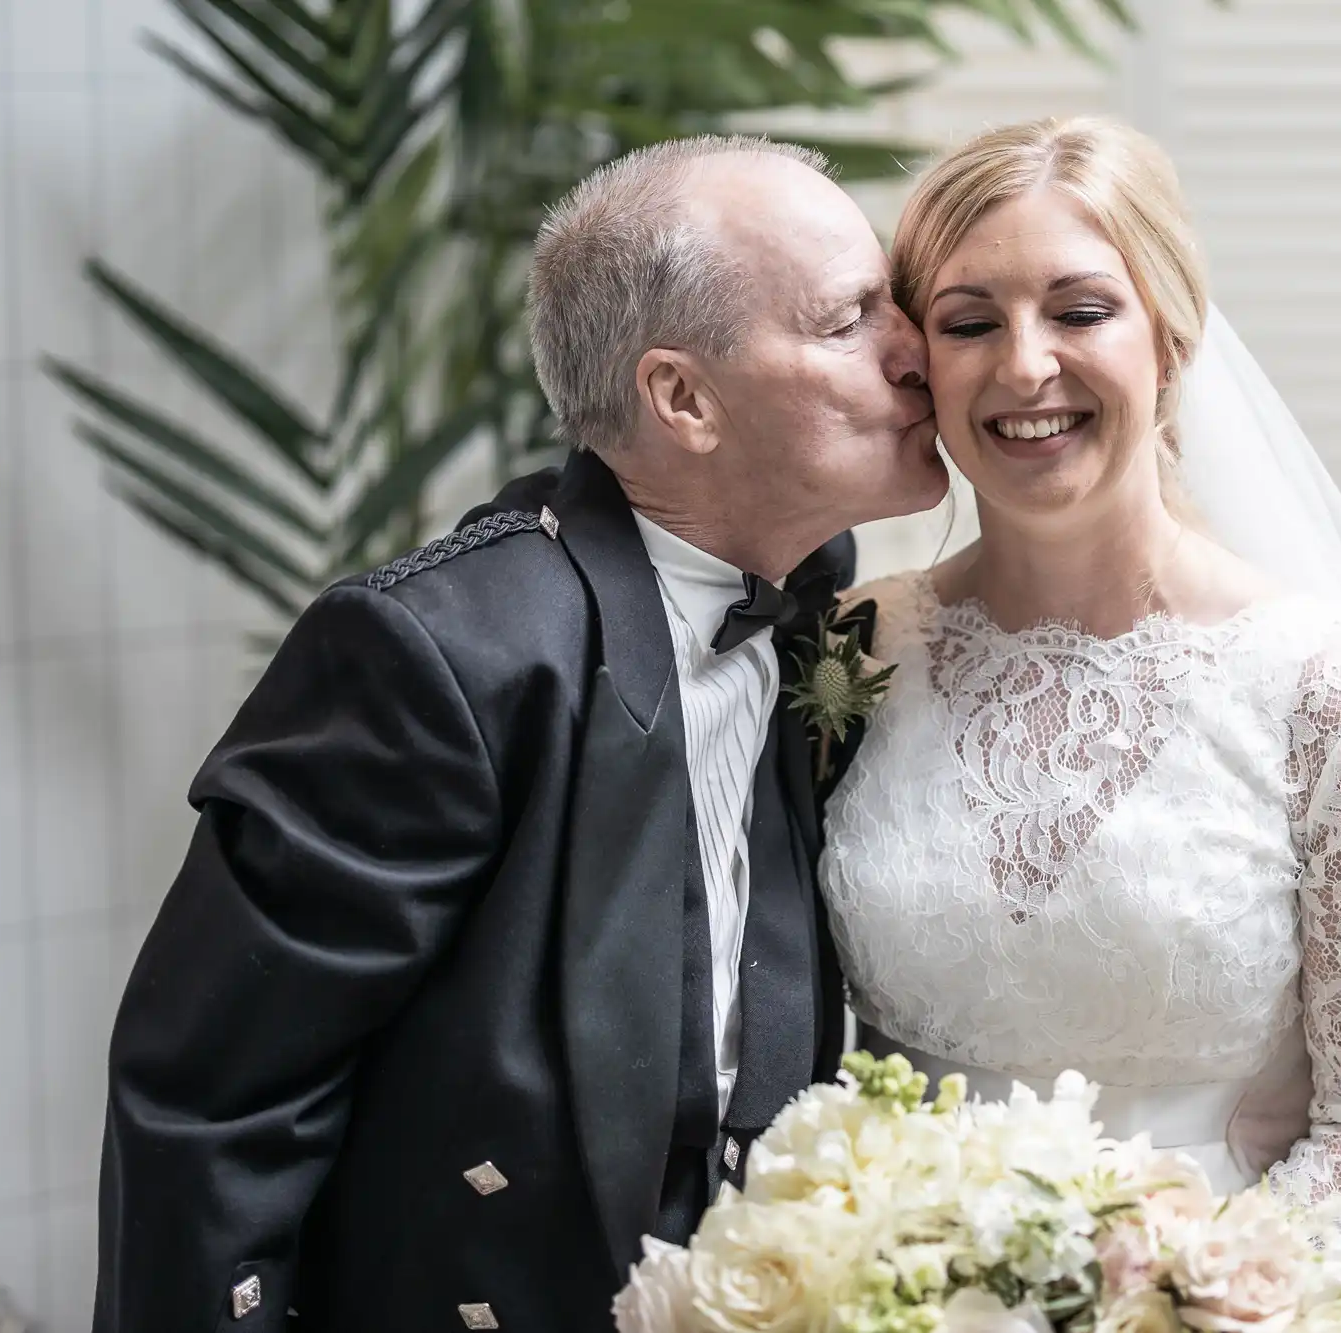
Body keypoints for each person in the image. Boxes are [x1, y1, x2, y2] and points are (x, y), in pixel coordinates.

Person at [92, 136, 946, 1333]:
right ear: (681, 398)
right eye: (850, 319)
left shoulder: (816, 598)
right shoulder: (437, 655)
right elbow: (216, 1108)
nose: (917, 350)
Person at [818, 116, 1341, 1326]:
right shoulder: (848, 654)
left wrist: (1163, 1302)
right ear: (917, 361)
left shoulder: (1332, 699)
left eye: (1080, 311)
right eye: (969, 320)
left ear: (1172, 335)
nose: (1024, 366)